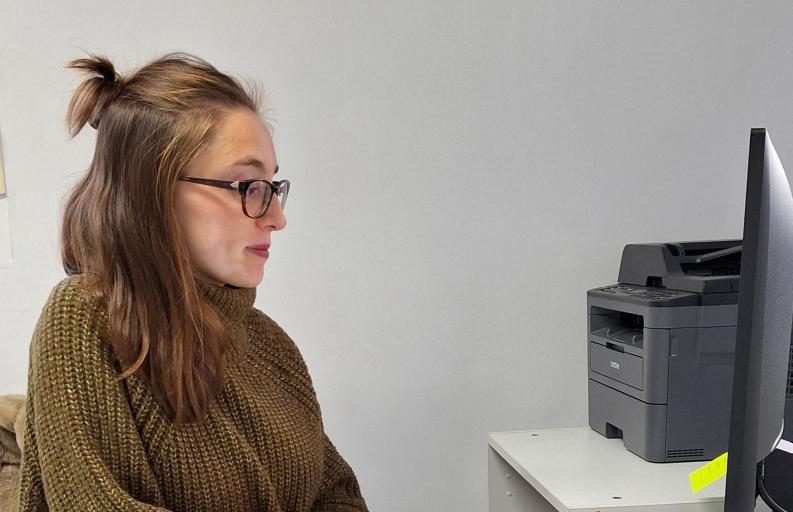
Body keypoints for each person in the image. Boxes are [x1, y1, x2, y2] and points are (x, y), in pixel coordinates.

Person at [17, 52, 368, 511]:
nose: (276, 218)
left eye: (272, 187)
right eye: (248, 186)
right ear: (154, 191)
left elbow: (337, 492)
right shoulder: (85, 319)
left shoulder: (270, 344)